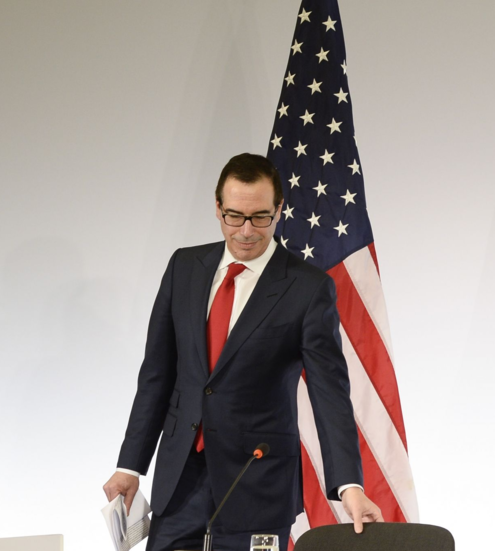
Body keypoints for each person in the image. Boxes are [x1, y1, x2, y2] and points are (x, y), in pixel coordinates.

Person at [102, 153, 382, 551]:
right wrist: (130, 465)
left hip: (257, 485)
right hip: (179, 483)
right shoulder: (184, 267)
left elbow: (329, 393)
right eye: (235, 216)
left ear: (279, 210)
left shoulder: (307, 287)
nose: (247, 231)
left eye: (260, 217)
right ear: (218, 209)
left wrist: (349, 485)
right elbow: (157, 376)